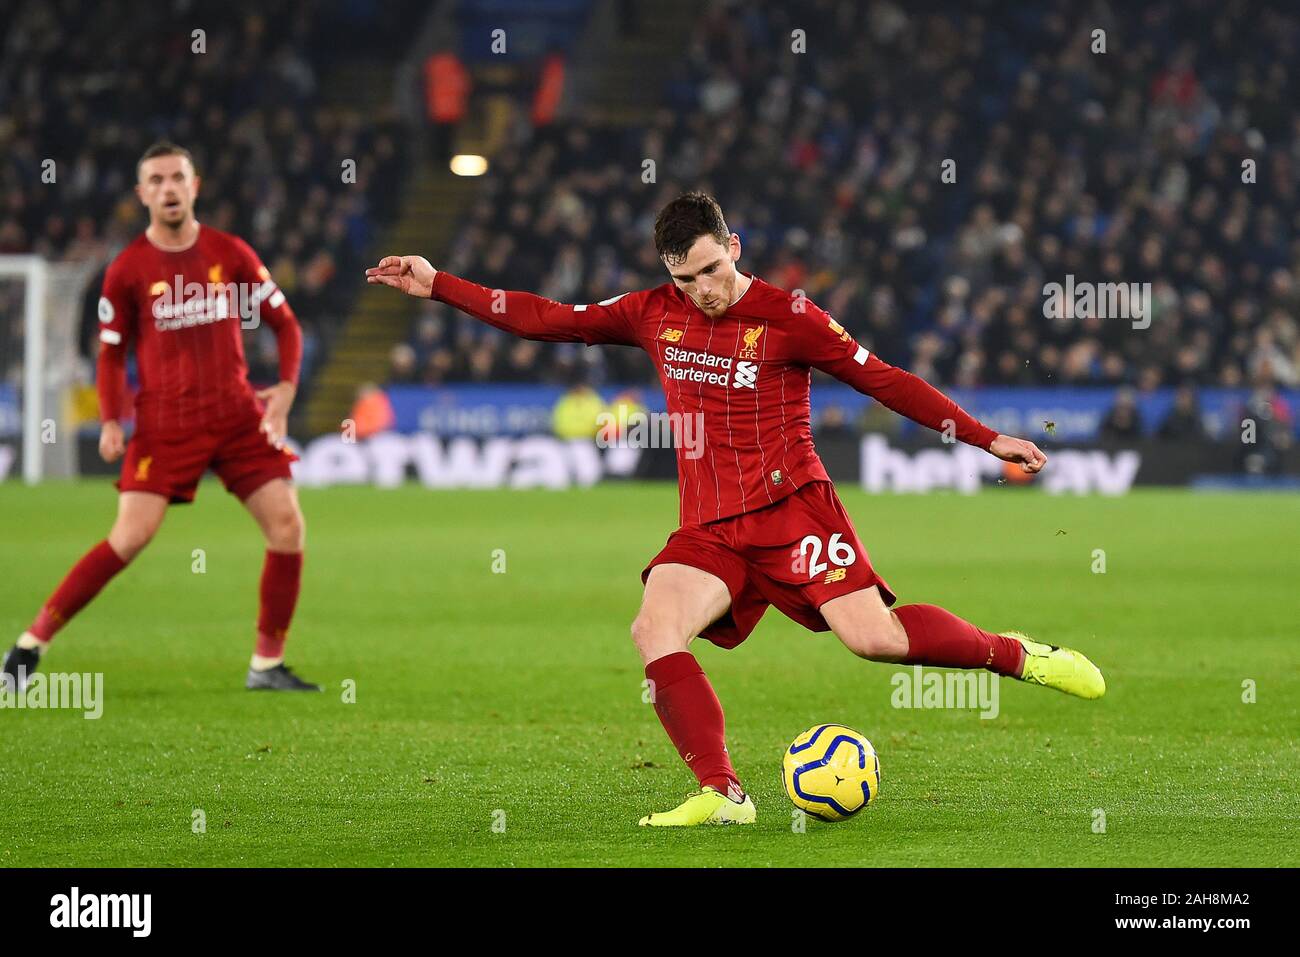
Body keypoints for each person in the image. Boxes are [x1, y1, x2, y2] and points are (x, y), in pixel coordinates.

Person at [366, 191, 1105, 827]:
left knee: (874, 640)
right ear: (669, 273)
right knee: (654, 627)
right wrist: (440, 286)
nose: (706, 290)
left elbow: (885, 380)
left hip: (792, 510)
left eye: (715, 269)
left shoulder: (791, 316)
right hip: (712, 528)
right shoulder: (651, 312)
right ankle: (723, 791)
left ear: (736, 249)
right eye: (689, 278)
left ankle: (1017, 655)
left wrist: (986, 438)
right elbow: (545, 317)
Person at [2, 142, 319, 693]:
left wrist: (287, 389)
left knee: (288, 527)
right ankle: (30, 645)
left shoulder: (231, 254)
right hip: (166, 425)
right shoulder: (127, 270)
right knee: (128, 538)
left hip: (237, 416)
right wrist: (108, 420)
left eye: (178, 177)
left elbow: (286, 325)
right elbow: (110, 353)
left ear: (195, 186)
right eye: (157, 180)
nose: (169, 188)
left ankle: (267, 665)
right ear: (142, 194)